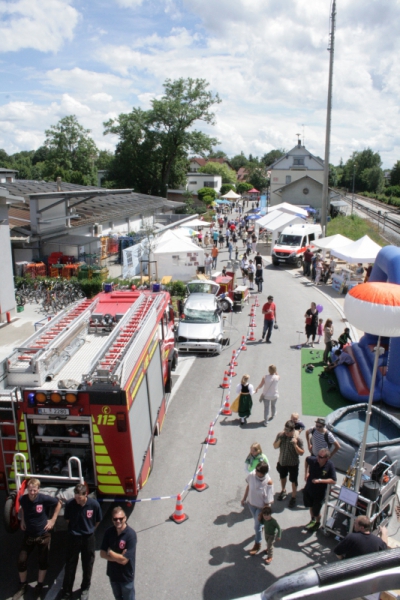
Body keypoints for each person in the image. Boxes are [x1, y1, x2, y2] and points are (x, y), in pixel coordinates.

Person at [13, 478, 62, 600]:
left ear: (38, 490)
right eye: (30, 490)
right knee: (21, 561)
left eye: (34, 490)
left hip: (43, 535)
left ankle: (39, 586)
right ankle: (23, 585)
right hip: (29, 535)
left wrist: (53, 520)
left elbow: (58, 503)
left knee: (42, 561)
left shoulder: (44, 498)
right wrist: (23, 520)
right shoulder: (23, 499)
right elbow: (23, 508)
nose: (32, 493)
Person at [61, 483, 102, 600]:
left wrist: (90, 530)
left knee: (87, 564)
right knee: (70, 565)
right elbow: (67, 519)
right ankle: (67, 592)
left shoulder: (94, 505)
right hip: (74, 537)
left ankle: (85, 588)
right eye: (76, 497)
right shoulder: (70, 504)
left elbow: (97, 520)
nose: (77, 500)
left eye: (80, 497)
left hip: (88, 538)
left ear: (86, 495)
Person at [100, 506, 137, 600]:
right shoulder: (109, 532)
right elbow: (102, 554)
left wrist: (110, 552)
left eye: (120, 518)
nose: (118, 521)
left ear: (125, 518)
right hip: (113, 575)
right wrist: (119, 557)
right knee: (118, 598)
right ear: (112, 520)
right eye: (115, 519)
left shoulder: (131, 535)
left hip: (126, 577)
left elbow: (124, 561)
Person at [241, 462, 274, 555]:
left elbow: (268, 502)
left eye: (258, 471)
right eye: (256, 469)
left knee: (257, 526)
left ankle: (257, 543)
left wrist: (262, 514)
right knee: (258, 524)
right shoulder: (252, 475)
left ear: (263, 473)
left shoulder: (268, 482)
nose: (256, 471)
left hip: (261, 508)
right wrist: (244, 498)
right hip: (251, 505)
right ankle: (260, 528)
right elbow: (248, 486)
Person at [303, 449, 337, 532]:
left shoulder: (330, 465)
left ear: (326, 458)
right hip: (309, 489)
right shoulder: (313, 460)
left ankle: (317, 523)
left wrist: (320, 481)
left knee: (316, 512)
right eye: (318, 456)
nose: (318, 458)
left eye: (321, 457)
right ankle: (312, 520)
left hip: (319, 494)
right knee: (310, 506)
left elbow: (333, 480)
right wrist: (306, 473)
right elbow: (306, 459)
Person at [273, 420, 304, 508]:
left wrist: (295, 445)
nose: (286, 432)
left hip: (293, 463)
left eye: (288, 431)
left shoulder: (298, 439)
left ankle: (293, 496)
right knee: (282, 476)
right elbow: (275, 446)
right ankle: (283, 490)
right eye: (285, 430)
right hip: (282, 461)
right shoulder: (281, 435)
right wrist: (280, 440)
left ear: (293, 430)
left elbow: (301, 453)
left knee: (293, 480)